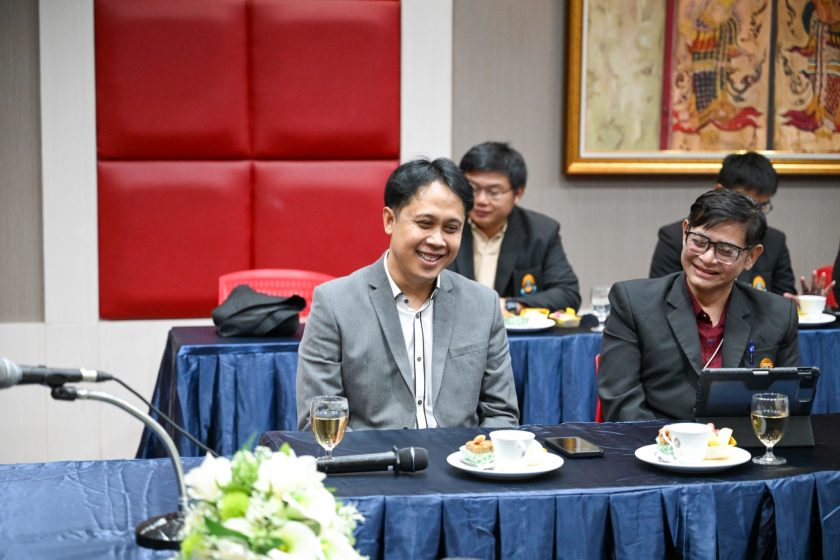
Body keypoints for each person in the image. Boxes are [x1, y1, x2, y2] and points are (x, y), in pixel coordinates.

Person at [296, 158, 520, 431]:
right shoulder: (334, 303)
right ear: (390, 220)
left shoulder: (483, 304)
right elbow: (318, 420)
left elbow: (501, 414)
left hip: (462, 456)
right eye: (425, 223)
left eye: (451, 228)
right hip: (371, 457)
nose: (437, 240)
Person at [600, 189, 800, 421]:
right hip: (658, 440)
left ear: (751, 257)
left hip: (743, 441)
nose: (707, 258)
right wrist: (675, 441)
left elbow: (787, 406)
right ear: (685, 232)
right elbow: (621, 403)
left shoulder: (778, 314)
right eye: (699, 241)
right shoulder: (633, 302)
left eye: (726, 250)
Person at [448, 142, 580, 314]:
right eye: (472, 189)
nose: (480, 200)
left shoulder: (541, 232)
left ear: (518, 193)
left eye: (493, 192)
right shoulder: (447, 227)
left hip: (513, 329)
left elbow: (568, 294)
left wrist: (512, 306)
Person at [649, 152, 796, 296]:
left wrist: (801, 305)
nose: (754, 213)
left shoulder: (775, 240)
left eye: (761, 206)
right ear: (720, 190)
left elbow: (784, 299)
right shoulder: (674, 237)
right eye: (744, 202)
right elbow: (661, 297)